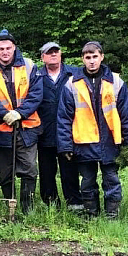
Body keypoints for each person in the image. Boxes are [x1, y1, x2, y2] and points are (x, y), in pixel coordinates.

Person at [57, 41, 128, 219]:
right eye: (88, 57)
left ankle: (112, 216)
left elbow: (126, 114)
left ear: (102, 57)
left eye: (95, 57)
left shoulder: (116, 81)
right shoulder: (72, 83)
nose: (92, 61)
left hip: (110, 141)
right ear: (82, 59)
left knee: (112, 181)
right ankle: (91, 214)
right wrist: (65, 146)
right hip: (84, 142)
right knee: (87, 182)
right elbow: (64, 118)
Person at [0, 29, 43, 215]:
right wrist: (5, 114)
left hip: (26, 128)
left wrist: (20, 113)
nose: (5, 52)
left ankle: (27, 208)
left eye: (8, 48)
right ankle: (10, 207)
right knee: (4, 172)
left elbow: (36, 94)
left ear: (14, 47)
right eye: (1, 48)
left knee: (29, 169)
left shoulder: (29, 65)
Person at [35, 42, 80, 207]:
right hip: (43, 132)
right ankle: (51, 205)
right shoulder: (36, 76)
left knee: (70, 170)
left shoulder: (74, 74)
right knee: (46, 172)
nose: (53, 55)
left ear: (61, 54)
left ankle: (74, 203)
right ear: (42, 57)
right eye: (49, 52)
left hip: (69, 132)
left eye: (56, 51)